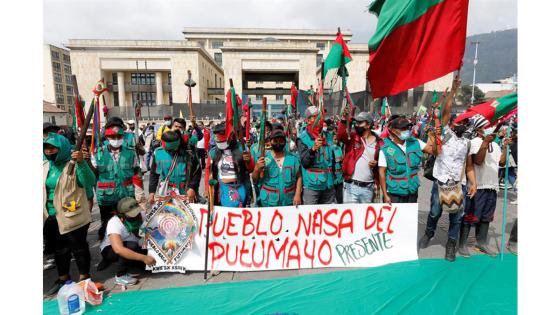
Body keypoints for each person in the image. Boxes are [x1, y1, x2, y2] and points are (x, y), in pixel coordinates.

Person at [418, 76, 479, 262]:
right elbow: (445, 111)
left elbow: (468, 166)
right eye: (459, 122)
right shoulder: (445, 134)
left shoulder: (467, 143)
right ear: (452, 123)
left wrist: (473, 183)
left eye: (465, 123)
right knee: (435, 212)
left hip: (457, 185)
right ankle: (429, 232)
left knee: (456, 217)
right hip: (441, 181)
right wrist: (453, 91)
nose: (462, 126)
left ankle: (451, 244)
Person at [43, 133, 96, 295]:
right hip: (51, 217)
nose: (49, 151)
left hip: (73, 217)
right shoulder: (45, 165)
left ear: (63, 148)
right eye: (46, 148)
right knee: (59, 250)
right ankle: (63, 278)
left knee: (78, 248)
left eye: (53, 148)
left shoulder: (73, 165)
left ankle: (84, 279)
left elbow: (89, 181)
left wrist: (81, 162)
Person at [459, 115, 512, 257]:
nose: (489, 129)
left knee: (486, 217)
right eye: (486, 127)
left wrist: (505, 147)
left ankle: (481, 242)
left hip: (492, 186)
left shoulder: (495, 144)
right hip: (478, 186)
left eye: (490, 126)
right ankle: (462, 244)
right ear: (478, 129)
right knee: (471, 216)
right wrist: (485, 143)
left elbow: (500, 163)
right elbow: (477, 161)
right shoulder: (474, 142)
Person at [92, 120, 141, 240]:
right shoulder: (98, 153)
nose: (116, 139)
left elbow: (136, 171)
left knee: (132, 222)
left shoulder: (131, 152)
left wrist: (140, 192)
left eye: (119, 136)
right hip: (106, 196)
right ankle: (108, 245)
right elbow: (93, 174)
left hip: (127, 194)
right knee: (108, 223)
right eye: (112, 136)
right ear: (107, 137)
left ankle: (131, 246)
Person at [378, 116, 439, 203]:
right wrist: (385, 195)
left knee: (410, 216)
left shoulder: (415, 142)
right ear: (394, 130)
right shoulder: (386, 149)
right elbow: (382, 172)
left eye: (408, 127)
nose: (407, 130)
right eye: (403, 128)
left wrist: (433, 136)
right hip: (394, 193)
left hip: (412, 191)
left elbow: (433, 151)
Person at [96, 197, 156, 286]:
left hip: (135, 244)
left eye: (137, 212)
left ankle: (131, 263)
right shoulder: (114, 223)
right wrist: (144, 258)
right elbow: (118, 249)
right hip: (110, 249)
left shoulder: (142, 215)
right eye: (132, 214)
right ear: (121, 215)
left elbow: (154, 230)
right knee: (132, 246)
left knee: (150, 269)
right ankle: (120, 276)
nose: (136, 216)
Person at [252, 127, 302, 207]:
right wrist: (256, 169)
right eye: (275, 141)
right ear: (270, 141)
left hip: (288, 201)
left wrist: (298, 194)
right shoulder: (263, 158)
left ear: (285, 142)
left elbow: (299, 176)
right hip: (268, 203)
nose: (278, 143)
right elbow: (255, 179)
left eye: (281, 141)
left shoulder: (293, 159)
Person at [337, 112, 380, 204]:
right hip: (351, 186)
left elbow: (382, 164)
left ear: (368, 125)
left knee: (365, 217)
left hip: (369, 188)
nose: (357, 125)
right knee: (350, 216)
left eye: (360, 123)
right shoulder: (352, 137)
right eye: (356, 123)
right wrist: (344, 120)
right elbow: (340, 136)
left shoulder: (379, 142)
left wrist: (376, 164)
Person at [148, 128, 201, 203]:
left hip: (184, 191)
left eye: (171, 150)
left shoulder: (189, 154)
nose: (168, 152)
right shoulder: (158, 153)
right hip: (165, 192)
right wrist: (151, 192)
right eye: (166, 149)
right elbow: (154, 173)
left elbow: (197, 172)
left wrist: (192, 187)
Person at [207, 122, 253, 207]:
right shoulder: (213, 152)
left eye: (223, 141)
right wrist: (208, 188)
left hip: (240, 187)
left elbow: (250, 169)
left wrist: (248, 160)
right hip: (223, 188)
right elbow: (208, 171)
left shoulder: (242, 149)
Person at [297, 106, 336, 205]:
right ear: (308, 120)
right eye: (316, 117)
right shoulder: (303, 138)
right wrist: (313, 150)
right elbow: (305, 162)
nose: (320, 119)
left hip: (329, 184)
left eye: (320, 116)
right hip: (312, 186)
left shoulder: (328, 136)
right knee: (310, 216)